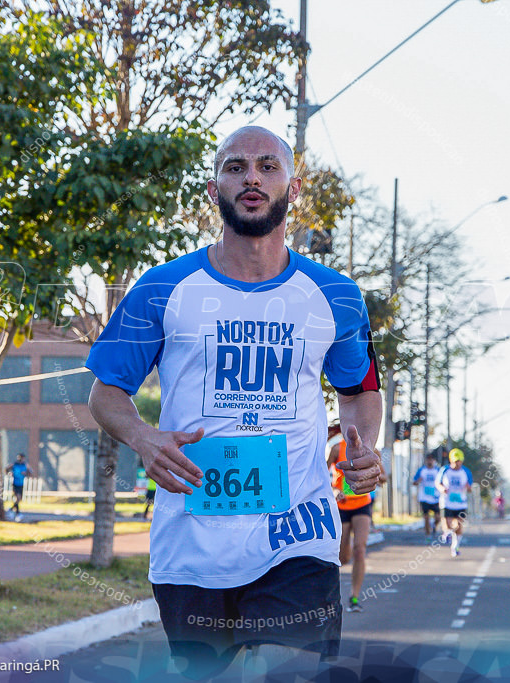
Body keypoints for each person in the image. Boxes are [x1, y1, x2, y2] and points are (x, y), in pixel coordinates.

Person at [85, 126, 383, 679]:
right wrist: (143, 437)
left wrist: (363, 444)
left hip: (296, 536)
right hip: (190, 542)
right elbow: (106, 392)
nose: (252, 177)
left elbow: (360, 391)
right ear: (212, 188)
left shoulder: (336, 297)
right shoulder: (162, 288)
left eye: (269, 167)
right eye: (236, 166)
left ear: (294, 190)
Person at [328, 436, 371, 613]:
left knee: (360, 550)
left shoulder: (369, 449)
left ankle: (354, 597)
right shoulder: (337, 449)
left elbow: (383, 475)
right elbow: (321, 474)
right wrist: (335, 489)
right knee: (342, 557)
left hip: (362, 504)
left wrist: (370, 478)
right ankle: (331, 595)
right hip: (342, 505)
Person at [436, 448, 473, 558]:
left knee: (459, 525)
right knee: (447, 524)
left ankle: (455, 546)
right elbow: (437, 483)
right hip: (447, 502)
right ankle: (447, 534)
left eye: (459, 461)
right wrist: (442, 488)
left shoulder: (466, 471)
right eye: (456, 461)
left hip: (461, 502)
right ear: (451, 461)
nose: (458, 464)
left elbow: (470, 488)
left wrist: (468, 487)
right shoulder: (444, 470)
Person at [412, 453, 441, 541]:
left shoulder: (438, 471)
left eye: (431, 459)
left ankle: (434, 526)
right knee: (426, 517)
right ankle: (428, 534)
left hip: (436, 497)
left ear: (434, 461)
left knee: (438, 517)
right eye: (428, 459)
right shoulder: (422, 470)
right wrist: (419, 480)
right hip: (424, 497)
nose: (430, 461)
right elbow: (414, 482)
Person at [5, 453, 33, 521]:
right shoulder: (14, 464)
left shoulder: (25, 465)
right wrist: (9, 474)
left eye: (21, 458)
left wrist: (25, 474)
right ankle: (18, 513)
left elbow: (30, 472)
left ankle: (11, 509)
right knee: (17, 497)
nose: (20, 459)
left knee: (19, 499)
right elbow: (6, 469)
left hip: (21, 484)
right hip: (15, 483)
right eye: (19, 458)